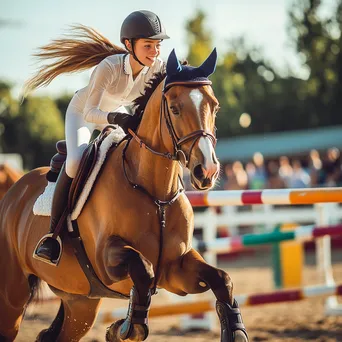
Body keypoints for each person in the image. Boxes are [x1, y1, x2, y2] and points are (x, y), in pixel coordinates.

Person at [26, 10, 170, 265]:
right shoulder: (110, 67)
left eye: (157, 45)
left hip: (117, 113)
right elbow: (92, 112)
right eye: (148, 45)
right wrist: (117, 119)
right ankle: (52, 235)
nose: (155, 51)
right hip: (84, 113)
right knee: (75, 161)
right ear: (129, 45)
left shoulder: (156, 68)